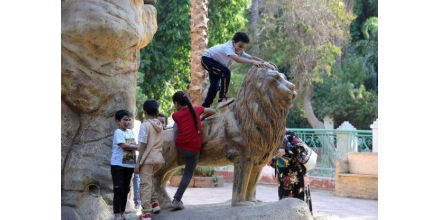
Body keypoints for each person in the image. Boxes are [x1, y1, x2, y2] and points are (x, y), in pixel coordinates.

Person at [169, 91, 216, 210]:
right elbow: (213, 111)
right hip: (194, 149)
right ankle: (177, 200)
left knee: (176, 126)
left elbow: (180, 123)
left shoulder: (175, 115)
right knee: (187, 174)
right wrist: (200, 118)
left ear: (176, 104)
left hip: (180, 146)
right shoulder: (196, 109)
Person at [201, 31, 268, 109]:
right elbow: (237, 59)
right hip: (207, 60)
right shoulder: (228, 47)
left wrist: (264, 62)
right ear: (233, 42)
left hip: (216, 63)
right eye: (240, 46)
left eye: (243, 48)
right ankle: (222, 99)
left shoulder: (239, 50)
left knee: (214, 86)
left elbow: (251, 57)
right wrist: (253, 62)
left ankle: (205, 107)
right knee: (226, 72)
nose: (241, 49)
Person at [269, 130, 313, 216]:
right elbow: (283, 161)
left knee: (300, 206)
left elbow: (301, 147)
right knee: (284, 205)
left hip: (298, 177)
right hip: (285, 179)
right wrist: (271, 162)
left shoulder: (288, 134)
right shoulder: (273, 137)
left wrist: (285, 151)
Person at [134, 99, 166, 220]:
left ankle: (146, 214)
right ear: (157, 112)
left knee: (144, 185)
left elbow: (142, 145)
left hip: (147, 159)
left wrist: (137, 163)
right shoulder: (159, 125)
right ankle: (155, 204)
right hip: (158, 159)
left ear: (145, 112)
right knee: (149, 181)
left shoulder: (145, 125)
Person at [111, 110, 139, 220]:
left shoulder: (131, 132)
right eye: (125, 120)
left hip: (129, 165)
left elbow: (134, 144)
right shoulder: (118, 132)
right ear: (118, 121)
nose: (128, 122)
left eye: (129, 119)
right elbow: (123, 145)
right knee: (118, 189)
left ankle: (122, 213)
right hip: (118, 165)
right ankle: (117, 214)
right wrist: (137, 147)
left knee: (126, 189)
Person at [132, 108, 142, 211]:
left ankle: (137, 201)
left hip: (137, 153)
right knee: (127, 176)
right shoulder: (126, 123)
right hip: (127, 153)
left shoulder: (139, 123)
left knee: (137, 178)